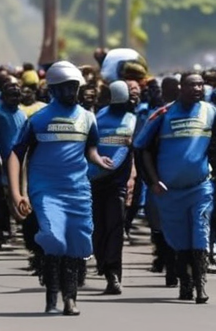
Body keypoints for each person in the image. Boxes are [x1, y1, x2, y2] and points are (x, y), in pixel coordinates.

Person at [8, 61, 113, 316]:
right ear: (53, 89)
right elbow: (16, 154)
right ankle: (51, 292)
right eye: (64, 88)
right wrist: (16, 193)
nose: (70, 92)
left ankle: (69, 297)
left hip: (77, 189)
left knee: (78, 242)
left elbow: (90, 148)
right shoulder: (37, 119)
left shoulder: (88, 118)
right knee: (55, 237)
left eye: (74, 87)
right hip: (46, 189)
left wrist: (98, 159)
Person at [134, 73, 216, 304]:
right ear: (181, 88)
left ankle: (200, 285)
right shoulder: (163, 113)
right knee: (179, 239)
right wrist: (152, 181)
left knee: (201, 231)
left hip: (200, 188)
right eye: (192, 84)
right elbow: (142, 149)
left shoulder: (211, 112)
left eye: (201, 84)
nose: (197, 88)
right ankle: (186, 283)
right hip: (169, 192)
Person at [88, 81, 137, 295]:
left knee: (116, 226)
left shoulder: (133, 119)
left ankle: (113, 274)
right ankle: (103, 264)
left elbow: (135, 150)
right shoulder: (98, 117)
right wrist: (98, 161)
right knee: (99, 228)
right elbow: (89, 146)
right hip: (95, 179)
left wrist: (133, 177)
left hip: (118, 183)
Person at [0, 78, 26, 250]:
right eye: (11, 94)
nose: (15, 97)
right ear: (3, 96)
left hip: (18, 164)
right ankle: (0, 233)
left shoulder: (22, 114)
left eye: (17, 94)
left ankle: (15, 229)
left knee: (16, 196)